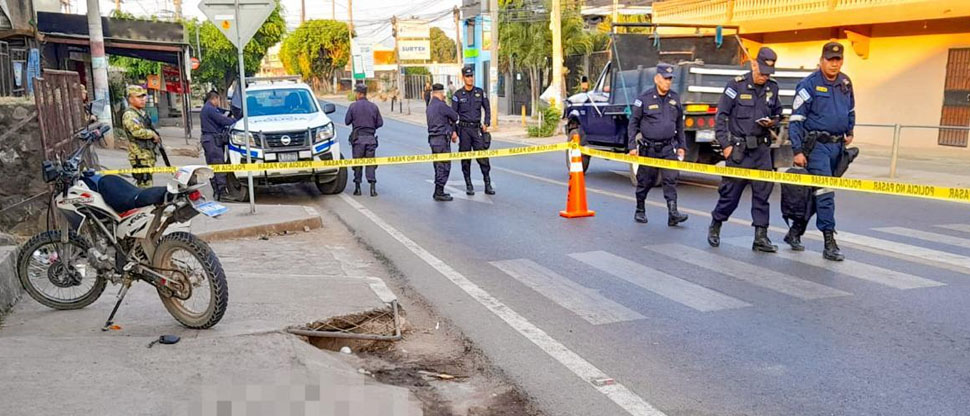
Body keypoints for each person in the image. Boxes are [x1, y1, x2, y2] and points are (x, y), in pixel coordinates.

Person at [785, 42, 855, 261]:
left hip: (837, 147)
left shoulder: (845, 82)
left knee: (817, 194)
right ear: (821, 61)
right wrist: (797, 150)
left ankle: (795, 231)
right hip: (816, 147)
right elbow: (796, 119)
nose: (834, 64)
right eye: (830, 60)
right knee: (825, 193)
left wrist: (850, 129)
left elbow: (851, 109)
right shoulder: (809, 84)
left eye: (838, 60)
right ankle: (829, 242)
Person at [707, 47, 783, 252]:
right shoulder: (736, 85)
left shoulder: (772, 88)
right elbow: (721, 117)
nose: (764, 77)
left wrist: (773, 122)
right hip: (739, 151)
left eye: (768, 73)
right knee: (730, 194)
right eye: (762, 72)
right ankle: (716, 223)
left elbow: (778, 113)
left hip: (762, 151)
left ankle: (761, 236)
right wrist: (726, 146)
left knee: (762, 195)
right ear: (754, 65)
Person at [627, 63, 689, 226]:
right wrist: (632, 146)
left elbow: (679, 125)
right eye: (665, 78)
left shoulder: (674, 98)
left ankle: (673, 213)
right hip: (649, 148)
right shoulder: (644, 99)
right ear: (657, 79)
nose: (668, 82)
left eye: (670, 79)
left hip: (668, 147)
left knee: (671, 179)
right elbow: (633, 123)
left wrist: (682, 146)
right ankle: (640, 209)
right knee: (645, 180)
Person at [452, 65, 494, 195]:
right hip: (464, 130)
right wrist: (454, 131)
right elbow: (453, 115)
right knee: (465, 159)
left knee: (483, 158)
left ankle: (487, 183)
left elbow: (487, 108)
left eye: (471, 76)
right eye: (467, 76)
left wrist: (486, 123)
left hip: (476, 130)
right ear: (463, 78)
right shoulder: (458, 95)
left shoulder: (479, 92)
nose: (470, 78)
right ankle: (468, 184)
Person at [345, 83, 384, 197]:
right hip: (371, 139)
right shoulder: (374, 107)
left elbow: (347, 121)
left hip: (358, 140)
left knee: (357, 164)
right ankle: (373, 189)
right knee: (370, 163)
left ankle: (358, 188)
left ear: (358, 94)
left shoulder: (353, 106)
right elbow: (380, 123)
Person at [200, 90, 236, 201]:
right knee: (218, 165)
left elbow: (221, 114)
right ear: (214, 99)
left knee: (213, 167)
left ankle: (217, 192)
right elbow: (222, 120)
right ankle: (222, 192)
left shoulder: (208, 108)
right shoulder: (210, 109)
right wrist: (236, 120)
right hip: (212, 141)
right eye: (218, 100)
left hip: (209, 140)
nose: (218, 102)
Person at [122, 85, 160, 188]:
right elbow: (136, 132)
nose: (143, 99)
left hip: (147, 152)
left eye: (143, 96)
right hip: (139, 154)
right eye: (138, 97)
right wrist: (152, 134)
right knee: (144, 184)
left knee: (148, 181)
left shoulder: (140, 112)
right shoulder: (130, 115)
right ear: (130, 99)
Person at [427, 83, 459, 201]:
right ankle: (439, 192)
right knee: (444, 166)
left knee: (438, 166)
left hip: (433, 140)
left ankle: (438, 191)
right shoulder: (441, 105)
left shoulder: (430, 106)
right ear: (441, 93)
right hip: (441, 140)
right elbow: (455, 116)